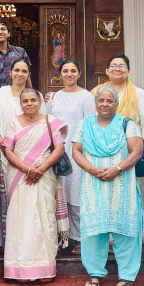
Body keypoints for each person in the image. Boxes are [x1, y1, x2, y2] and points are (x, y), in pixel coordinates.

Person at [71, 86, 144, 286]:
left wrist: (117, 169)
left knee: (126, 230)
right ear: (95, 103)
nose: (105, 104)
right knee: (93, 230)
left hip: (122, 184)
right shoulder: (84, 124)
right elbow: (76, 150)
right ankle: (95, 272)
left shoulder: (128, 124)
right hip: (93, 184)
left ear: (116, 104)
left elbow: (137, 152)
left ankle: (127, 276)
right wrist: (91, 168)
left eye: (110, 101)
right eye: (101, 100)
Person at [1, 88, 68, 282]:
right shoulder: (13, 122)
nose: (29, 103)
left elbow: (59, 148)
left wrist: (40, 169)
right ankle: (19, 269)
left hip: (44, 176)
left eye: (33, 100)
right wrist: (27, 169)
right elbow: (7, 150)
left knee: (44, 218)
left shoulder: (50, 121)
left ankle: (45, 268)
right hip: (19, 176)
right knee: (20, 220)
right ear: (20, 104)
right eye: (25, 101)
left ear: (40, 103)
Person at [0, 58, 46, 250]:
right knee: (4, 197)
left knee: (27, 198)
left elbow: (43, 124)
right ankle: (3, 241)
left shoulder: (35, 96)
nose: (20, 74)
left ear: (29, 74)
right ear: (10, 73)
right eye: (16, 70)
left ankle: (27, 240)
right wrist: (2, 142)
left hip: (31, 156)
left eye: (24, 71)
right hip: (3, 153)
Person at [44, 59, 96, 254]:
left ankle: (80, 238)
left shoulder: (86, 96)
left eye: (73, 71)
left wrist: (82, 151)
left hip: (77, 150)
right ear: (60, 74)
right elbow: (48, 122)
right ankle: (62, 236)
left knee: (77, 194)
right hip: (57, 151)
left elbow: (90, 125)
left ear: (79, 74)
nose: (69, 74)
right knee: (60, 193)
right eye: (65, 71)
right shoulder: (54, 97)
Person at [90, 54, 144, 145]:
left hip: (131, 147)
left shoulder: (138, 93)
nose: (117, 69)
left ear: (128, 72)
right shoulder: (95, 92)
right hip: (99, 145)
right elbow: (88, 121)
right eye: (113, 66)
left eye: (122, 66)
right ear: (107, 71)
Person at [0, 19, 32, 87]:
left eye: (3, 29)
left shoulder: (20, 52)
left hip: (18, 92)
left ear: (9, 33)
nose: (0, 32)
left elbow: (27, 75)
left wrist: (30, 91)